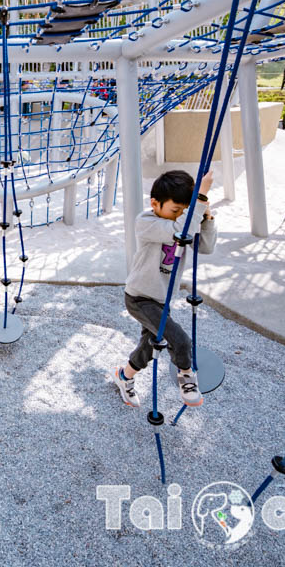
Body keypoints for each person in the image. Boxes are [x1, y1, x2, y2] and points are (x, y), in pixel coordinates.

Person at [109, 170, 217, 408]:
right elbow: (181, 232)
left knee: (150, 346)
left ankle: (124, 376)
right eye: (175, 210)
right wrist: (198, 202)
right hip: (139, 298)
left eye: (183, 211)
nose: (179, 216)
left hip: (162, 300)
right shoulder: (146, 222)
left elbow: (206, 247)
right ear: (155, 203)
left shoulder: (185, 222)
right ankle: (187, 377)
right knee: (180, 341)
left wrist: (206, 218)